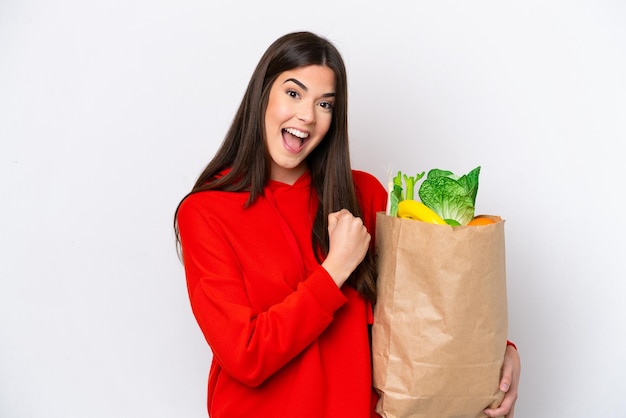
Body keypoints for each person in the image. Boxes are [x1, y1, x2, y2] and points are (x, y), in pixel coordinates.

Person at [174, 31, 520, 417]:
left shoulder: (365, 194)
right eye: (293, 93)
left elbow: (422, 308)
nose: (307, 115)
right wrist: (336, 268)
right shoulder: (205, 213)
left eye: (324, 103)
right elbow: (246, 356)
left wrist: (497, 353)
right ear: (262, 95)